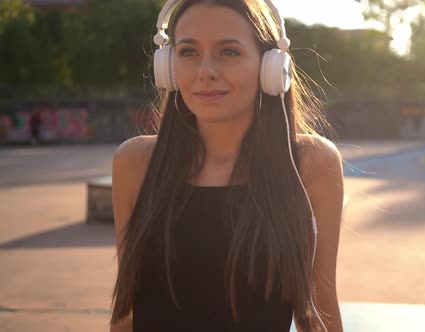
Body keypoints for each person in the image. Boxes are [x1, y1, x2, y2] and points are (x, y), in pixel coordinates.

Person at [109, 0, 344, 331]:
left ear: (271, 68)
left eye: (228, 52)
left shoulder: (311, 162)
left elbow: (322, 308)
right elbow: (126, 313)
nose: (205, 71)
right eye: (189, 52)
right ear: (168, 67)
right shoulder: (135, 163)